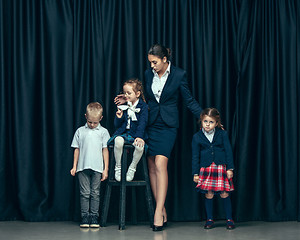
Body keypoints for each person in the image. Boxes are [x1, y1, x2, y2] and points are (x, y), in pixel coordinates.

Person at [192, 108, 235, 230]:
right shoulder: (197, 137)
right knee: (209, 194)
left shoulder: (222, 134)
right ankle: (209, 219)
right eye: (205, 121)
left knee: (224, 193)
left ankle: (229, 219)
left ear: (216, 123)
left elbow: (228, 151)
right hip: (205, 168)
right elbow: (195, 156)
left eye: (211, 122)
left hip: (220, 167)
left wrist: (230, 168)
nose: (207, 124)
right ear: (201, 121)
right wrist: (195, 173)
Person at [70, 102, 110, 228]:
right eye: (90, 122)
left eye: (95, 123)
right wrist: (74, 166)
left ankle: (94, 216)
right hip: (82, 167)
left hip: (97, 168)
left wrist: (106, 169)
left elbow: (105, 150)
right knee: (85, 193)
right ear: (86, 116)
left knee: (95, 193)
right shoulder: (80, 131)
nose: (92, 125)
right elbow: (76, 149)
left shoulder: (103, 132)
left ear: (101, 119)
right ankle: (85, 216)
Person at [108, 78, 148, 182]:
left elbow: (142, 123)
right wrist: (119, 117)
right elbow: (117, 125)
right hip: (124, 133)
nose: (126, 95)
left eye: (129, 93)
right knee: (118, 140)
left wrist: (139, 137)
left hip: (136, 134)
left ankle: (132, 168)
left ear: (137, 94)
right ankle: (118, 167)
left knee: (140, 146)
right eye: (124, 92)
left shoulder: (143, 107)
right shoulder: (123, 105)